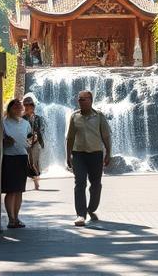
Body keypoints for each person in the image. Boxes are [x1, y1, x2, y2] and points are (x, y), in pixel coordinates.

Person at [65, 90, 111, 227]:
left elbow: (106, 136)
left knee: (96, 184)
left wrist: (108, 153)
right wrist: (68, 155)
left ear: (91, 100)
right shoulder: (74, 117)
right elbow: (70, 137)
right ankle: (80, 214)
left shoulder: (99, 117)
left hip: (96, 154)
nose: (81, 102)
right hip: (79, 154)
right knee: (80, 183)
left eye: (83, 99)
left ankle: (91, 208)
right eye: (79, 99)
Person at [1, 98, 32, 228]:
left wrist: (32, 159)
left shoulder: (26, 123)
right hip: (9, 157)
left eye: (20, 107)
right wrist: (5, 142)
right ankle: (11, 219)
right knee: (11, 190)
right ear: (10, 109)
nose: (19, 108)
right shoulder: (3, 123)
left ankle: (17, 218)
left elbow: (30, 140)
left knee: (19, 190)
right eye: (15, 106)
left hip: (22, 157)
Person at [22, 94, 45, 191]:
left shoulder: (38, 118)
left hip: (36, 143)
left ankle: (36, 181)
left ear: (33, 106)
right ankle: (33, 180)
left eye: (29, 105)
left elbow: (41, 130)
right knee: (28, 162)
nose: (27, 107)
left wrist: (37, 139)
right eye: (25, 105)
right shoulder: (22, 119)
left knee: (34, 161)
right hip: (25, 142)